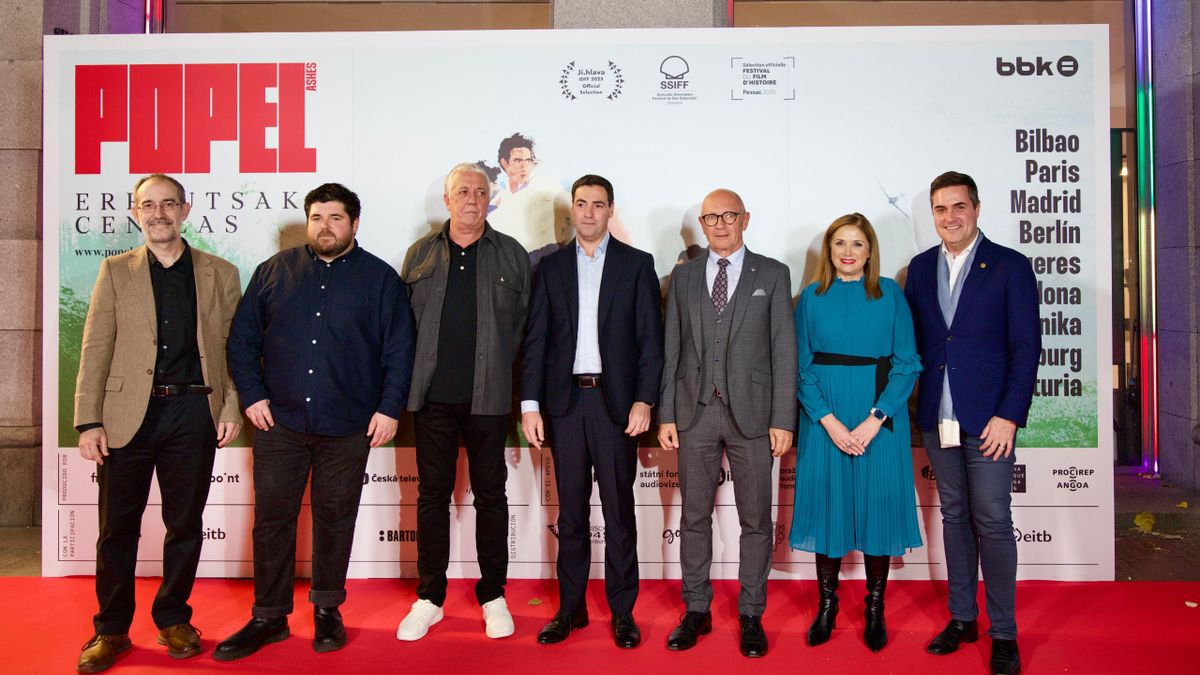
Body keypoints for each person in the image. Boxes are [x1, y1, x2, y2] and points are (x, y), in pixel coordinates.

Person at [216, 183, 416, 660]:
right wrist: (252, 396)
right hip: (278, 421)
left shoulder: (380, 279)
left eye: (336, 218)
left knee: (334, 518)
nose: (325, 227)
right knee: (272, 521)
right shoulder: (274, 272)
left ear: (354, 223)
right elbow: (241, 341)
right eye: (317, 218)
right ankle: (268, 616)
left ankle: (328, 609)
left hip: (347, 424)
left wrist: (389, 407)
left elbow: (399, 350)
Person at [73, 173, 242, 673]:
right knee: (116, 528)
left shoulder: (221, 272)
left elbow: (236, 349)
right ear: (135, 213)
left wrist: (231, 404)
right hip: (127, 416)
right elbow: (95, 345)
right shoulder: (114, 270)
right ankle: (110, 629)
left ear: (185, 211)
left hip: (194, 411)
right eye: (148, 205)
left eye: (169, 204)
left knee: (184, 525)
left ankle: (172, 617)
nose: (159, 213)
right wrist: (88, 421)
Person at [520, 175, 664, 648]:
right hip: (564, 407)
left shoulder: (637, 265)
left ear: (610, 210)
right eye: (580, 204)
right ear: (573, 211)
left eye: (597, 205)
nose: (587, 213)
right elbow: (536, 341)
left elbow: (650, 343)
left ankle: (623, 612)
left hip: (616, 407)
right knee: (573, 515)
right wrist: (530, 405)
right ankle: (571, 608)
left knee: (620, 513)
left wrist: (645, 400)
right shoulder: (551, 267)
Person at [904, 171, 1040, 675]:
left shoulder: (1009, 266)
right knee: (955, 518)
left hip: (990, 424)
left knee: (993, 522)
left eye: (958, 206)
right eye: (940, 209)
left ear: (977, 209)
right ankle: (963, 618)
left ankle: (1003, 633)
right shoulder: (918, 269)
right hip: (937, 418)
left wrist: (1009, 415)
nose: (950, 217)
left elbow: (1026, 349)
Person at [395, 163, 532, 641]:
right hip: (430, 400)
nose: (471, 199)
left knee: (490, 498)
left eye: (479, 191)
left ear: (489, 200)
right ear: (448, 201)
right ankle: (429, 597)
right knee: (431, 498)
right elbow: (400, 333)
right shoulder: (419, 254)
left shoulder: (513, 256)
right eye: (462, 192)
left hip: (489, 400)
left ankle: (493, 594)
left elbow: (526, 334)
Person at [658, 189, 796, 658]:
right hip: (694, 412)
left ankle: (752, 613)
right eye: (711, 217)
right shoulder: (684, 276)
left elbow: (784, 351)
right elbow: (671, 348)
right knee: (693, 517)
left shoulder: (773, 274)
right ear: (702, 222)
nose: (720, 224)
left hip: (754, 415)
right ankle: (696, 608)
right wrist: (666, 413)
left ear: (745, 219)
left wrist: (783, 418)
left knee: (756, 520)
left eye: (729, 215)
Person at [790, 213, 923, 652]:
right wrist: (828, 421)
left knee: (876, 509)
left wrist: (875, 418)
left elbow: (907, 363)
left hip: (878, 418)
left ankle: (874, 608)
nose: (847, 252)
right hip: (823, 418)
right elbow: (800, 367)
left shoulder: (891, 295)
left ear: (870, 251)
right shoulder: (810, 297)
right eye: (839, 244)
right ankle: (827, 606)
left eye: (857, 245)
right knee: (828, 506)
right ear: (829, 251)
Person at [486, 132, 571, 263]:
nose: (524, 166)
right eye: (518, 160)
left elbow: (573, 209)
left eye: (528, 160)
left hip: (546, 259)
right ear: (505, 163)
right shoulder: (500, 201)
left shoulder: (545, 185)